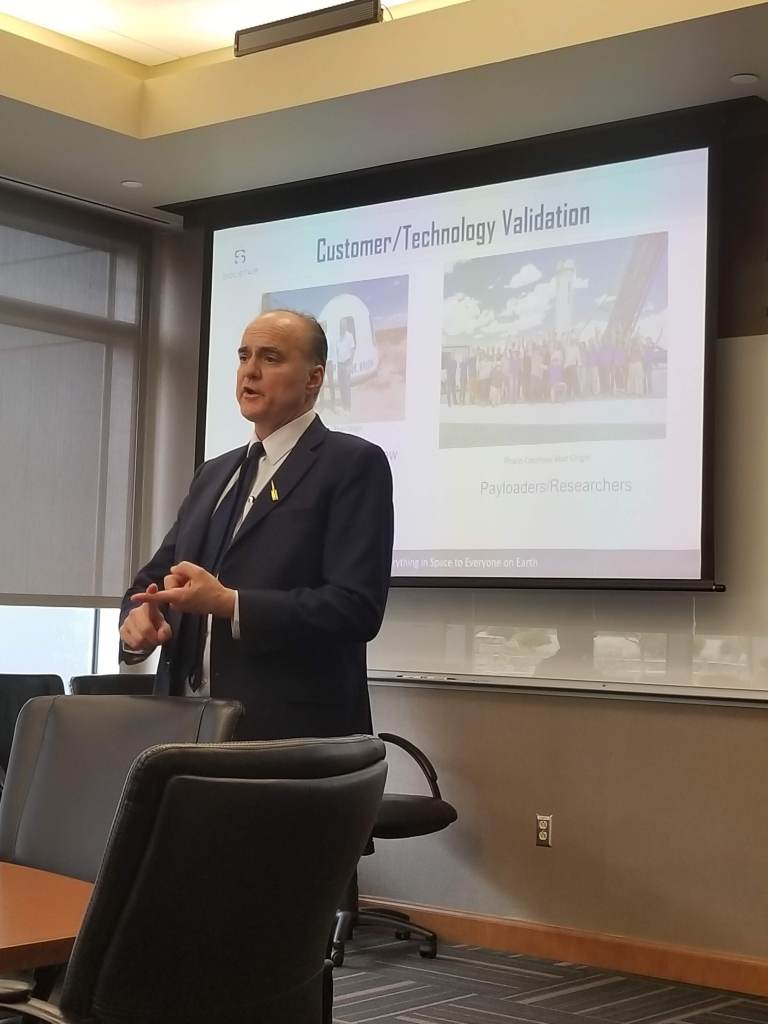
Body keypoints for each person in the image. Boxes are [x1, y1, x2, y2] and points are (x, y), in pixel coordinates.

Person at [119, 309, 394, 740]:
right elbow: (155, 578)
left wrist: (232, 604)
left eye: (270, 358)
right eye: (244, 356)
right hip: (182, 730)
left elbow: (355, 607)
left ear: (314, 378)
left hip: (285, 739)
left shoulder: (352, 464)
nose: (250, 371)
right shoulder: (214, 473)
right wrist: (137, 620)